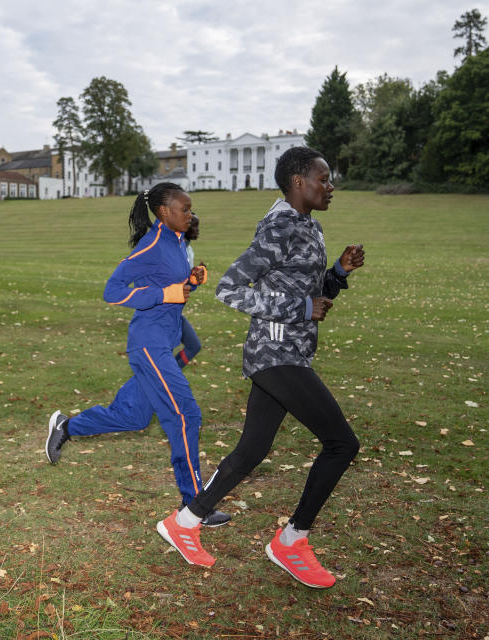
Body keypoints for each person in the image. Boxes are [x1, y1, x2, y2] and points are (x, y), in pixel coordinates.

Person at [157, 147, 365, 586]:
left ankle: (185, 523)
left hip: (291, 351)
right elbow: (230, 289)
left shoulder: (310, 225)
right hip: (275, 352)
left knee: (252, 450)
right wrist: (299, 308)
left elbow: (312, 292)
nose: (331, 187)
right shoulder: (279, 226)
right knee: (341, 443)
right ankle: (291, 542)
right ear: (297, 182)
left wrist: (339, 273)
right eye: (323, 179)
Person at [45, 182, 229, 527]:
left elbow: (171, 287)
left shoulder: (175, 242)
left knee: (133, 418)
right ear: (163, 212)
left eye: (190, 209)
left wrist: (189, 282)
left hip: (162, 340)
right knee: (185, 414)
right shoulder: (154, 243)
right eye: (184, 210)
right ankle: (195, 506)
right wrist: (166, 294)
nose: (190, 215)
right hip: (149, 343)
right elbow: (112, 291)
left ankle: (68, 426)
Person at [175, 215, 202, 369]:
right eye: (195, 226)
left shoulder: (188, 248)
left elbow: (187, 285)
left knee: (194, 346)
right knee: (193, 345)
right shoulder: (179, 249)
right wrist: (193, 280)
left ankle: (167, 377)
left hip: (176, 312)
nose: (198, 230)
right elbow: (181, 284)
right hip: (167, 314)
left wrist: (195, 278)